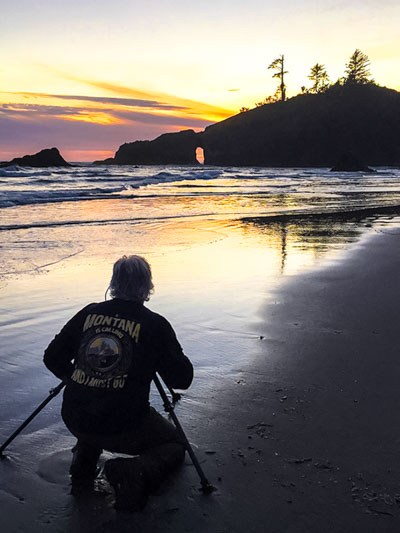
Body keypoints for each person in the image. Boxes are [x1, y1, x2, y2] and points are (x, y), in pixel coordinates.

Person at [43, 255, 193, 511]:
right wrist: (155, 355)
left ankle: (85, 455)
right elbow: (182, 380)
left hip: (75, 416)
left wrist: (79, 379)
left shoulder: (88, 312)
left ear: (113, 283)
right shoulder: (154, 324)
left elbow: (52, 357)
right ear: (147, 285)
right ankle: (136, 469)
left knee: (97, 407)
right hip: (124, 426)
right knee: (175, 444)